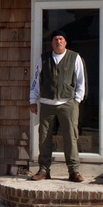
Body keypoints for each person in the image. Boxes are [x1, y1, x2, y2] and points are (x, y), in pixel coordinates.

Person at [29, 29, 86, 182]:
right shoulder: (44, 59)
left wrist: (77, 100)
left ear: (65, 42)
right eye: (55, 39)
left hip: (68, 103)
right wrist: (33, 100)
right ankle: (44, 170)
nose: (58, 41)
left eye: (61, 39)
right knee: (44, 137)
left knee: (70, 137)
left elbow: (80, 80)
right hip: (47, 103)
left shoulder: (74, 57)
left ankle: (74, 171)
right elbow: (36, 80)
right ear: (52, 42)